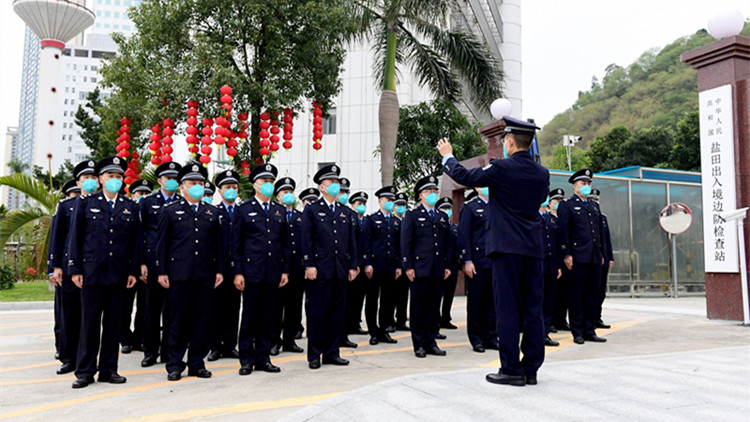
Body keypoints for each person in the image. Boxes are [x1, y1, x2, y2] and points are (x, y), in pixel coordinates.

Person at [438, 115, 549, 387]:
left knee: (508, 309)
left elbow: (463, 176)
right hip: (533, 249)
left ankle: (511, 368)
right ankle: (531, 369)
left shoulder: (501, 168)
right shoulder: (542, 173)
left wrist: (448, 156)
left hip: (506, 249)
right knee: (533, 309)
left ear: (510, 142)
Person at [67, 156, 141, 388]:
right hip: (92, 272)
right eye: (110, 176)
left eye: (119, 177)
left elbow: (135, 243)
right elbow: (75, 239)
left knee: (113, 324)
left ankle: (109, 370)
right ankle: (85, 371)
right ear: (100, 179)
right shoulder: (85, 203)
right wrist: (75, 268)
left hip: (118, 274)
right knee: (89, 323)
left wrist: (132, 271)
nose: (115, 180)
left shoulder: (130, 206)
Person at [157, 163, 223, 381]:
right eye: (192, 183)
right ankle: (175, 364)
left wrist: (220, 270)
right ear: (182, 187)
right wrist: (162, 271)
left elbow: (219, 246)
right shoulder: (170, 210)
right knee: (178, 321)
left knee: (201, 321)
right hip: (179, 274)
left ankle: (197, 363)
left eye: (200, 183)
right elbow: (163, 244)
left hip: (205, 274)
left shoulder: (212, 212)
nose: (197, 186)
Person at [232, 164, 290, 375]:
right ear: (255, 184)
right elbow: (236, 243)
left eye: (271, 182)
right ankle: (246, 359)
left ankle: (263, 358)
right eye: (265, 181)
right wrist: (238, 272)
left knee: (268, 317)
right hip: (251, 272)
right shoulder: (244, 209)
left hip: (273, 271)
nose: (269, 185)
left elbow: (284, 244)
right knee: (250, 317)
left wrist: (285, 270)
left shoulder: (279, 210)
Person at [301, 164, 358, 369]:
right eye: (331, 182)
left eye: (337, 182)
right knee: (318, 314)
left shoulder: (345, 212)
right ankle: (315, 354)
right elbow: (306, 240)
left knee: (337, 313)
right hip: (320, 270)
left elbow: (351, 241)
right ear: (322, 187)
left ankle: (332, 352)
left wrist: (353, 265)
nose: (335, 185)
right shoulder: (312, 210)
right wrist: (309, 264)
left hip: (340, 270)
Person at [400, 175, 452, 358]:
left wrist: (447, 265)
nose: (432, 194)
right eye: (428, 191)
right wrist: (408, 266)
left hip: (438, 268)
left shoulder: (441, 216)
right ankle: (419, 343)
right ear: (420, 195)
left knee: (433, 307)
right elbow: (406, 242)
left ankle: (431, 341)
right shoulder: (413, 216)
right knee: (418, 307)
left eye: (434, 191)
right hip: (420, 268)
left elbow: (446, 244)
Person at [48, 168, 91, 375]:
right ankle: (68, 357)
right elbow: (57, 238)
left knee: (88, 318)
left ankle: (87, 358)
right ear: (78, 181)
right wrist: (54, 267)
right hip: (67, 268)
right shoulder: (66, 206)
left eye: (93, 177)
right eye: (86, 178)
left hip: (92, 268)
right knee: (69, 315)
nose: (90, 181)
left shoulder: (100, 204)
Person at [557, 169, 607, 345]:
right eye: (583, 183)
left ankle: (589, 329)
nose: (586, 186)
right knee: (577, 295)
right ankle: (577, 330)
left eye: (588, 183)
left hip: (594, 257)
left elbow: (599, 233)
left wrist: (601, 254)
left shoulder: (594, 206)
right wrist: (566, 253)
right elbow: (564, 231)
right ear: (574, 186)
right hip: (577, 257)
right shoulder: (567, 205)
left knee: (592, 294)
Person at [139, 162, 182, 368]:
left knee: (173, 310)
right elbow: (140, 234)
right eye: (168, 178)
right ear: (159, 181)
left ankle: (168, 351)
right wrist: (141, 263)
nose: (172, 181)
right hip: (152, 261)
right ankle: (150, 350)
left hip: (175, 263)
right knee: (152, 309)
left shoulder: (182, 202)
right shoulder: (148, 202)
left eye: (175, 178)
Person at [458, 187, 499, 353]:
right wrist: (467, 260)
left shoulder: (498, 206)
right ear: (477, 187)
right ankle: (476, 338)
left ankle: (491, 336)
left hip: (495, 261)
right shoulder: (470, 207)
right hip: (477, 262)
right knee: (477, 302)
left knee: (493, 302)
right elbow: (464, 236)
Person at [207, 169, 242, 361]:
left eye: (234, 187)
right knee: (216, 308)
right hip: (217, 269)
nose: (231, 190)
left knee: (233, 307)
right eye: (228, 187)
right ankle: (215, 345)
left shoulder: (243, 212)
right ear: (220, 191)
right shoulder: (213, 212)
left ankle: (230, 344)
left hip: (236, 269)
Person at [361, 186, 400, 346]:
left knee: (388, 300)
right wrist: (367, 263)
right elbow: (366, 243)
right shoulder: (371, 220)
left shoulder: (397, 222)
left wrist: (399, 266)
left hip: (390, 266)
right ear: (379, 201)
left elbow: (399, 246)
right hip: (375, 267)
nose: (389, 203)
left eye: (392, 200)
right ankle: (373, 331)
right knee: (372, 300)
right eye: (387, 200)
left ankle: (385, 329)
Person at [119, 179, 153, 354]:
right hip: (129, 265)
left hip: (147, 264)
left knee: (144, 305)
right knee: (125, 304)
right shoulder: (128, 210)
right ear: (133, 195)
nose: (144, 197)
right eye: (140, 194)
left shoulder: (152, 211)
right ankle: (125, 338)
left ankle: (140, 337)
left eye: (147, 193)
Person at [272, 177, 305, 354]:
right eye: (285, 192)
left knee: (294, 307)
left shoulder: (301, 217)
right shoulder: (274, 214)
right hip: (278, 269)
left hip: (297, 269)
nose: (289, 195)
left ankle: (290, 340)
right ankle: (274, 340)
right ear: (278, 196)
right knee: (276, 307)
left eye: (291, 192)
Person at [342, 182, 368, 342]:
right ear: (352, 205)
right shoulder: (348, 218)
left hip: (362, 265)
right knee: (347, 298)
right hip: (348, 265)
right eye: (359, 204)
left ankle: (356, 323)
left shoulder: (367, 221)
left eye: (364, 204)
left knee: (359, 296)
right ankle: (346, 324)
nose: (362, 206)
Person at [588, 188, 614, 329]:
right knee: (591, 291)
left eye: (597, 200)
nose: (595, 203)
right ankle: (590, 319)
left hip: (603, 258)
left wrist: (610, 257)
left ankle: (597, 317)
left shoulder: (602, 218)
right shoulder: (587, 218)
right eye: (592, 200)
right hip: (591, 258)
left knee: (601, 291)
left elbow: (607, 239)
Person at [542, 188, 565, 347]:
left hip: (551, 265)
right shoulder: (532, 217)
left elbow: (556, 245)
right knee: (536, 301)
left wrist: (558, 266)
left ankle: (544, 333)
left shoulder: (552, 220)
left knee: (549, 301)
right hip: (537, 266)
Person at [387, 192, 410, 333]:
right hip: (393, 264)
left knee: (403, 294)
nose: (400, 207)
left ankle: (401, 320)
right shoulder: (391, 221)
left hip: (405, 263)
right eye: (398, 205)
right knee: (391, 295)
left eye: (403, 205)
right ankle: (389, 321)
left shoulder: (407, 220)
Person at [436, 197, 459, 333]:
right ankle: (436, 318)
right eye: (444, 208)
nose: (447, 211)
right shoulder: (438, 226)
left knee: (449, 294)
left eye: (449, 208)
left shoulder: (455, 228)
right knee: (438, 294)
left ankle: (446, 318)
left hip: (453, 266)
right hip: (440, 266)